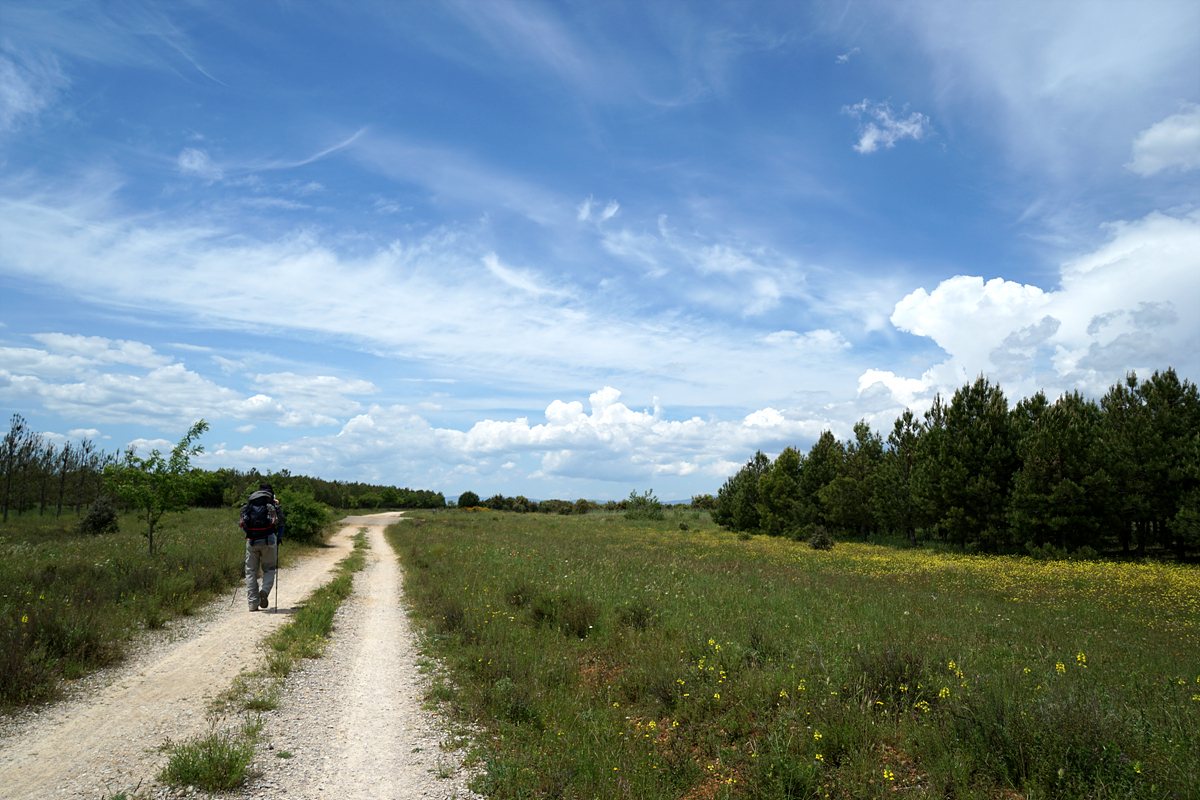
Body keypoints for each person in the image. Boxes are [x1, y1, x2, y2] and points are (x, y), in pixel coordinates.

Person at [239, 483, 285, 611]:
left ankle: (253, 604)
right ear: (270, 492)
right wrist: (279, 537)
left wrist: (250, 534)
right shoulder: (273, 503)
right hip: (269, 540)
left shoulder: (251, 502)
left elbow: (244, 524)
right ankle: (264, 590)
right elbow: (281, 524)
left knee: (250, 571)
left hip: (252, 540)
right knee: (269, 568)